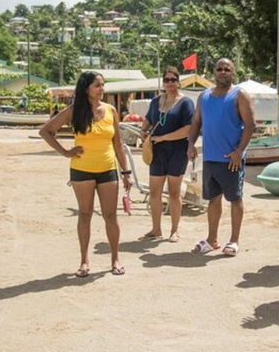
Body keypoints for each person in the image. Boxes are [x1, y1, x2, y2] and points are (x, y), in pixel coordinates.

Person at [39, 71, 133, 276]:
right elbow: (46, 131)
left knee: (111, 215)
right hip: (82, 170)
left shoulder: (111, 110)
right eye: (97, 85)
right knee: (85, 214)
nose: (102, 89)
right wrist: (65, 152)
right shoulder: (74, 110)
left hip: (108, 169)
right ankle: (84, 262)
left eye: (102, 85)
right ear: (86, 88)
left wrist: (126, 171)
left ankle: (115, 259)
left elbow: (117, 144)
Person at [187, 58, 255, 256]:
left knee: (235, 199)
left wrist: (239, 151)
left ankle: (234, 240)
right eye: (219, 69)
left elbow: (250, 125)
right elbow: (196, 122)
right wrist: (191, 144)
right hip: (210, 158)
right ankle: (212, 240)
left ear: (233, 73)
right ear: (214, 72)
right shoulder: (204, 96)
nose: (223, 72)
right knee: (212, 200)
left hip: (231, 159)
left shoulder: (239, 95)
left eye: (227, 69)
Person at [139, 66, 195, 242]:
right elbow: (149, 119)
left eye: (173, 80)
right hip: (157, 152)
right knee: (154, 191)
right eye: (167, 80)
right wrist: (143, 131)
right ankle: (156, 229)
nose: (170, 83)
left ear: (179, 82)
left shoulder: (185, 103)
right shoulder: (156, 100)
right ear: (163, 82)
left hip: (177, 151)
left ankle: (174, 230)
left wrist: (163, 137)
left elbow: (188, 129)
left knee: (173, 192)